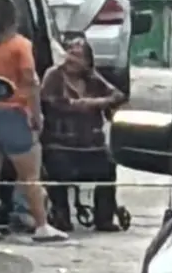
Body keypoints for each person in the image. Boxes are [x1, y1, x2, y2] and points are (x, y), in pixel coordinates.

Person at [0, 0, 67, 241]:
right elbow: (30, 81)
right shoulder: (19, 45)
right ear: (14, 17)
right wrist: (36, 113)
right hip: (14, 112)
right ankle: (42, 225)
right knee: (29, 174)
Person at [41, 36, 126, 232]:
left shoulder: (93, 79)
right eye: (70, 53)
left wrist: (97, 102)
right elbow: (57, 103)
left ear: (87, 61)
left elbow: (117, 96)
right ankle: (61, 215)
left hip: (90, 145)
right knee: (57, 167)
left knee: (107, 167)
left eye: (78, 56)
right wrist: (91, 104)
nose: (72, 59)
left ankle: (103, 218)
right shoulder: (54, 76)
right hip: (60, 143)